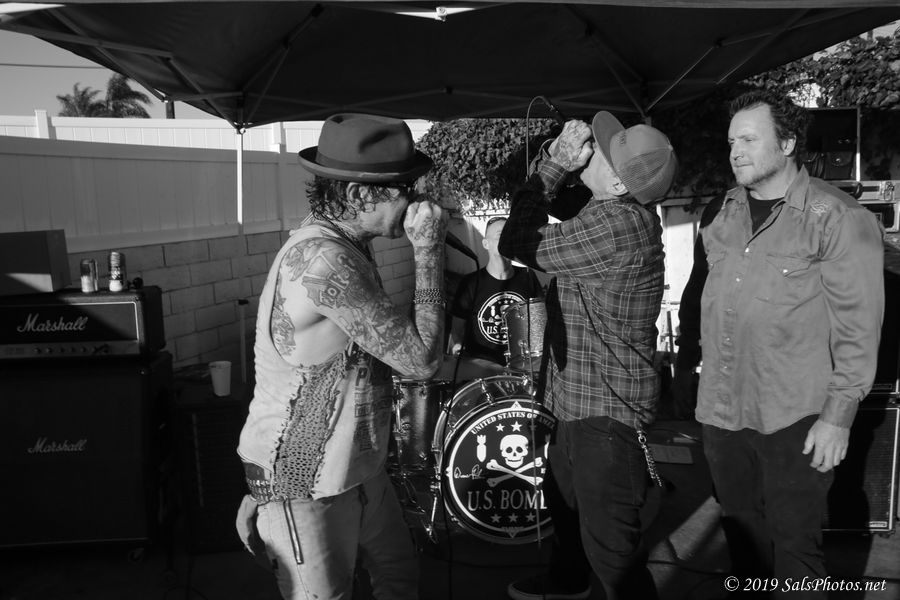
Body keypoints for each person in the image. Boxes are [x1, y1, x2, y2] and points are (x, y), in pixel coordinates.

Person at [234, 113, 447, 600]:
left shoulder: (347, 244)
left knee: (399, 579)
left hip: (356, 468)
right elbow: (421, 361)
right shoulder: (325, 259)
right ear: (357, 194)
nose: (414, 198)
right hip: (303, 482)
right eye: (403, 188)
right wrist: (429, 251)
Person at [697, 90, 884, 598]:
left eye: (749, 139)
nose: (736, 151)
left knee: (796, 554)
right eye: (731, 141)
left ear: (787, 143)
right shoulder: (722, 212)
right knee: (743, 544)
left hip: (794, 416)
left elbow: (858, 327)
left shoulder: (838, 217)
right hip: (722, 411)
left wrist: (837, 417)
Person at [499, 112, 677, 600]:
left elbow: (517, 239)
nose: (592, 150)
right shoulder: (611, 210)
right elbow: (553, 198)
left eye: (602, 150)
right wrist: (555, 164)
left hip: (605, 412)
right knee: (566, 507)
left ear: (619, 183)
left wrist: (556, 163)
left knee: (612, 548)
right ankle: (567, 583)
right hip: (578, 399)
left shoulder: (616, 226)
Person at [448, 216, 545, 366]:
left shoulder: (527, 276)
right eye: (501, 235)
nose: (507, 239)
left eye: (510, 234)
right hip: (484, 367)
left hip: (522, 367)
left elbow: (539, 324)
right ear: (486, 244)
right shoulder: (471, 283)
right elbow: (457, 330)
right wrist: (457, 348)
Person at [669, 193, 725, 419]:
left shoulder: (718, 209)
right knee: (693, 353)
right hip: (704, 296)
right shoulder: (724, 209)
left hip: (698, 294)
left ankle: (683, 411)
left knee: (689, 353)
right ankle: (686, 411)